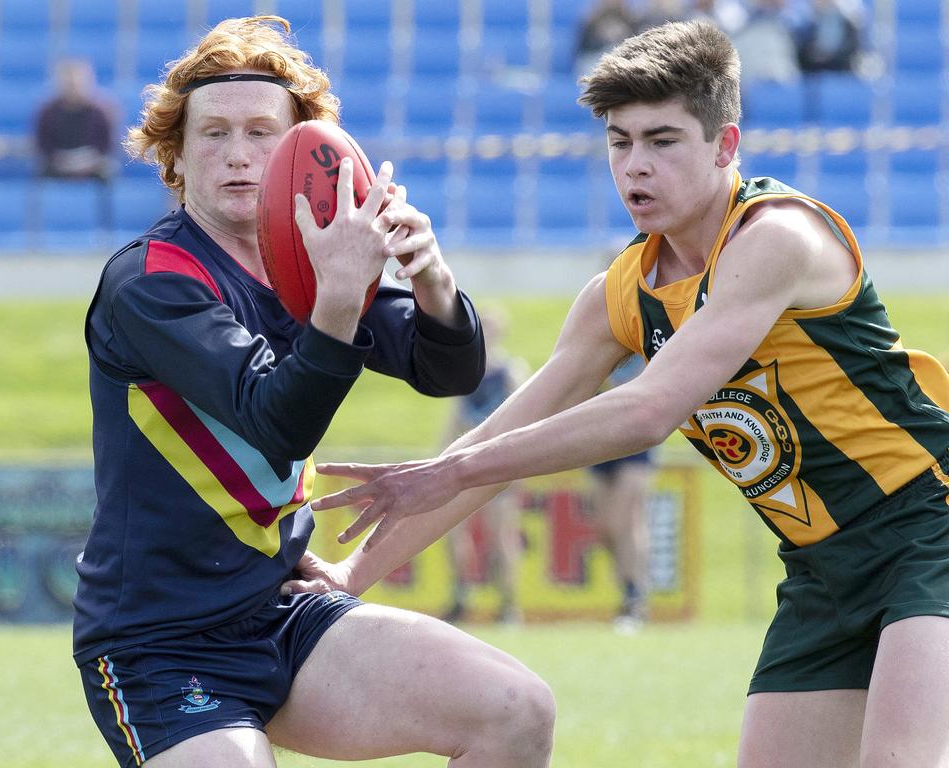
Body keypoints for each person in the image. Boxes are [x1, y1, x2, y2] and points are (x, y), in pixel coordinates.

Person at [303, 19, 949, 766]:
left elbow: (649, 410)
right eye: (620, 142)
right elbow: (496, 444)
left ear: (725, 146)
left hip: (927, 527)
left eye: (664, 140)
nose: (635, 166)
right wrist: (347, 578)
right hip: (819, 569)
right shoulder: (619, 296)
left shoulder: (777, 238)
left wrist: (454, 467)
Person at [72, 16, 554, 768]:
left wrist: (429, 276)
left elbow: (447, 371)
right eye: (213, 134)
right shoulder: (151, 281)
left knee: (515, 711)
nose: (238, 156)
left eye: (263, 133)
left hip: (288, 612)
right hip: (160, 642)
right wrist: (339, 295)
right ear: (174, 152)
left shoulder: (310, 259)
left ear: (302, 150)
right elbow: (276, 421)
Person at [441, 307, 528, 625]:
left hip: (500, 463)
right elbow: (455, 419)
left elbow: (524, 417)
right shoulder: (467, 370)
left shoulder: (510, 371)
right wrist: (440, 457)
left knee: (501, 535)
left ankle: (509, 604)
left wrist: (520, 465)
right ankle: (462, 593)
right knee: (452, 532)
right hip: (467, 463)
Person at [585, 354, 657, 632]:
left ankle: (635, 595)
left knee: (625, 519)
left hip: (635, 441)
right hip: (600, 439)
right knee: (603, 527)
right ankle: (628, 582)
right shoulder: (603, 346)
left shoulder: (644, 349)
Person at [34, 58, 117, 180]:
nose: (73, 86)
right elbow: (43, 144)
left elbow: (107, 144)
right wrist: (60, 160)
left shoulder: (101, 111)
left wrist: (88, 161)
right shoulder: (48, 112)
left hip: (92, 164)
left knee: (108, 173)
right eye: (68, 82)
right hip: (58, 164)